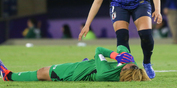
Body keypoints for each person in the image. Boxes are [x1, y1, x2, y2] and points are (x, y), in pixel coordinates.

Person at [0, 45, 150, 82]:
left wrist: (115, 55)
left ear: (125, 71)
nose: (131, 62)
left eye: (131, 64)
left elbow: (98, 50)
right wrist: (124, 54)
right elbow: (122, 46)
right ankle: (88, 63)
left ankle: (9, 76)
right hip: (87, 67)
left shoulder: (106, 74)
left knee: (42, 72)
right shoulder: (128, 69)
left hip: (73, 73)